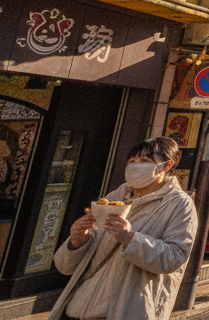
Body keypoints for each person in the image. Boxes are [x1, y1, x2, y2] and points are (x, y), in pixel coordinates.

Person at [48, 137, 196, 320]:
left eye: (145, 161)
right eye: (132, 161)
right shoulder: (116, 196)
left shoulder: (180, 205)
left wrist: (130, 238)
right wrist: (78, 241)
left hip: (128, 311)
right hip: (77, 309)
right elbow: (67, 267)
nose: (135, 166)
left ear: (166, 166)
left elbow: (175, 258)